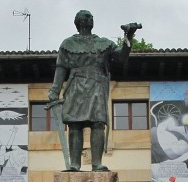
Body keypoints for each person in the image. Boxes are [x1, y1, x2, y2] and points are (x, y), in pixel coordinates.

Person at [48, 10, 139, 171]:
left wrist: (128, 36)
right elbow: (61, 67)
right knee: (75, 125)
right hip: (76, 85)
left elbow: (121, 57)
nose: (91, 19)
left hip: (97, 85)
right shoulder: (68, 43)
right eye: (87, 17)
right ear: (79, 22)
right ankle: (75, 164)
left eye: (91, 17)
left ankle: (97, 163)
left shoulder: (103, 43)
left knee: (98, 123)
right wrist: (55, 90)